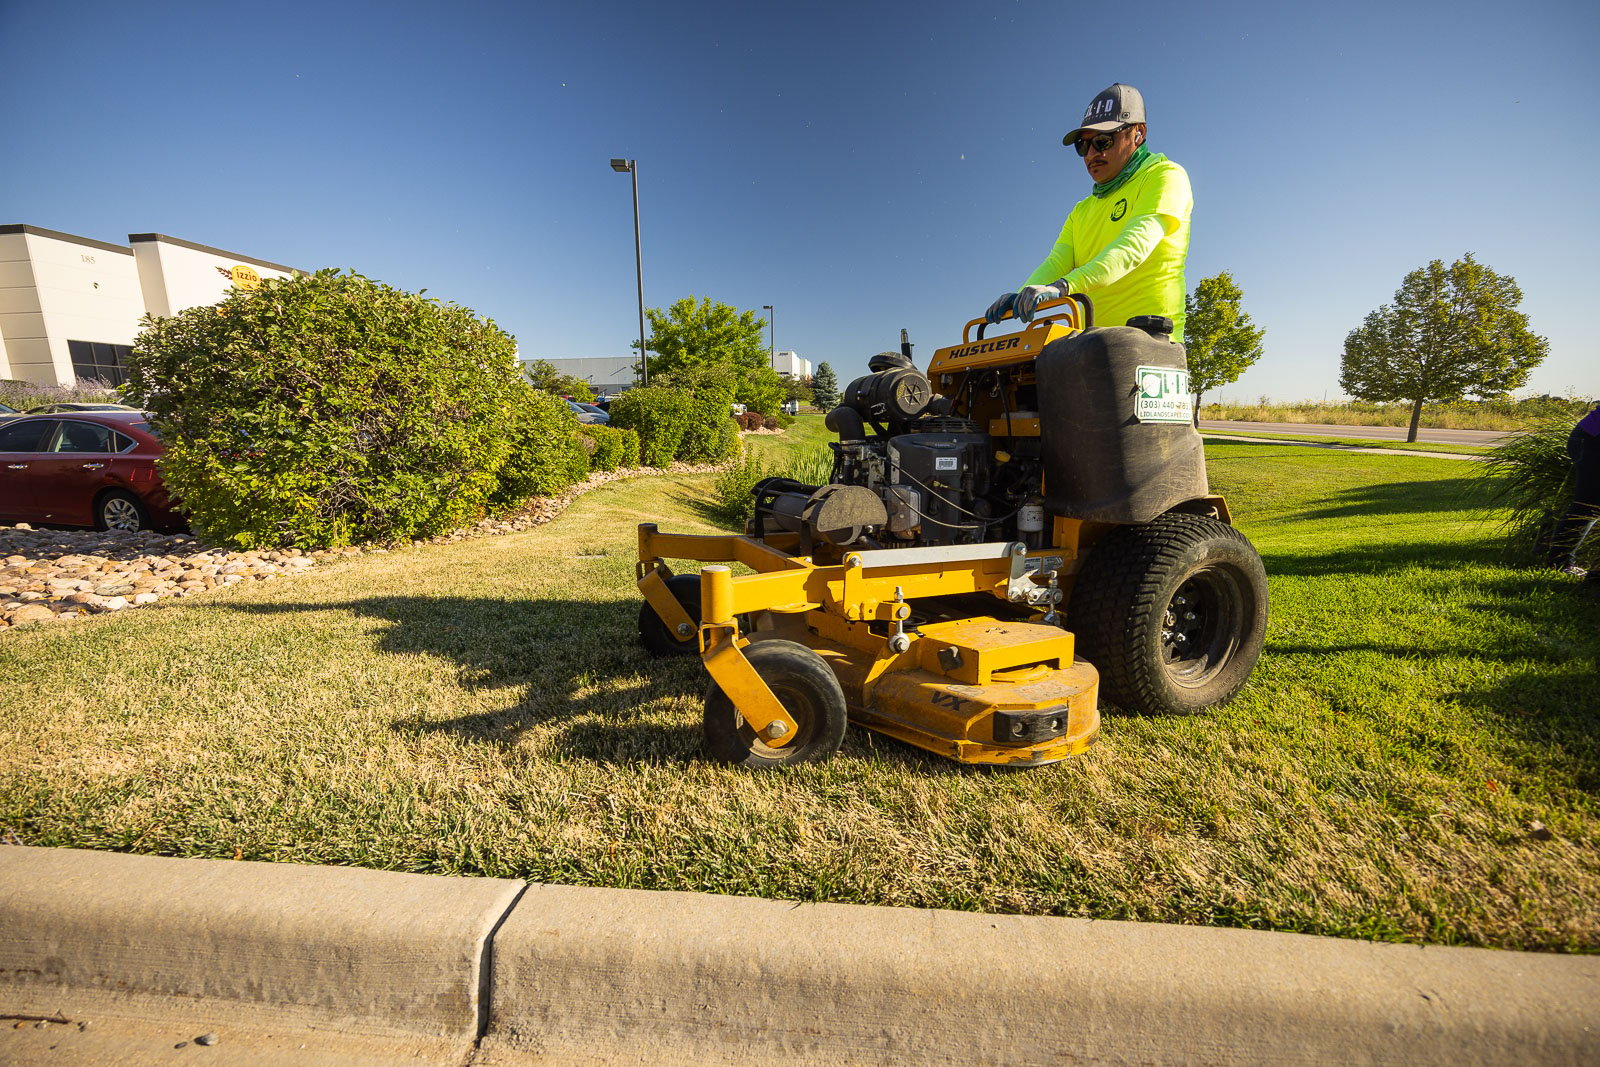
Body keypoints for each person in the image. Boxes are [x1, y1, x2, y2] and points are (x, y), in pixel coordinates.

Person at [986, 83, 1193, 339]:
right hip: (1090, 347)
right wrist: (1023, 294)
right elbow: (1057, 262)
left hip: (1152, 344)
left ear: (1138, 133)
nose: (1092, 154)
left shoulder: (1165, 176)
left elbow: (1134, 246)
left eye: (1103, 140)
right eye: (1083, 147)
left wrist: (1066, 286)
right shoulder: (1081, 210)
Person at [1544, 401, 1600, 584]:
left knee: (1590, 506)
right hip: (1592, 439)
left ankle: (1555, 556)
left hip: (1589, 437)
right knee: (1588, 505)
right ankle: (1561, 563)